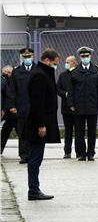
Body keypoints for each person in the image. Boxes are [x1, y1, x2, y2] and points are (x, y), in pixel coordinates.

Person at [26, 48, 61, 201]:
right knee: (35, 158)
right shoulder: (40, 75)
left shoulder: (43, 72)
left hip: (41, 122)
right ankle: (33, 190)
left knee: (36, 157)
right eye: (55, 63)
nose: (56, 66)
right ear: (47, 60)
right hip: (38, 124)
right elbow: (37, 103)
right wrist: (41, 125)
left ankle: (34, 189)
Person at [68, 47, 98, 161]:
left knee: (92, 131)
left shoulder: (97, 71)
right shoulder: (74, 72)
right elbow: (71, 91)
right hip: (78, 106)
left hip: (92, 105)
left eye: (87, 56)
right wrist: (71, 104)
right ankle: (82, 153)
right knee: (79, 132)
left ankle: (91, 153)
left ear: (90, 56)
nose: (85, 58)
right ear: (80, 57)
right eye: (83, 56)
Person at [9, 48, 35, 164]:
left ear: (33, 57)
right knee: (22, 131)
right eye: (25, 57)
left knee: (34, 131)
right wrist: (12, 105)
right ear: (22, 58)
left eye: (29, 57)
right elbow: (12, 90)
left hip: (35, 107)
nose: (27, 59)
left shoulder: (38, 70)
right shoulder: (17, 71)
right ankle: (24, 155)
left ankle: (34, 154)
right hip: (21, 107)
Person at [57, 56, 78, 159]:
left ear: (74, 63)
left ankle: (79, 151)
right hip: (66, 108)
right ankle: (67, 151)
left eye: (68, 62)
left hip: (78, 107)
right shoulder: (63, 75)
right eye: (65, 62)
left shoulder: (79, 73)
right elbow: (58, 88)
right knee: (68, 131)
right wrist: (65, 94)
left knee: (79, 130)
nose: (66, 64)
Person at [1, 66, 17, 154]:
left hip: (15, 113)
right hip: (5, 112)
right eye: (5, 72)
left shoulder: (15, 82)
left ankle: (25, 152)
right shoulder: (2, 82)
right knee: (4, 133)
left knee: (22, 133)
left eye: (9, 72)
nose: (7, 74)